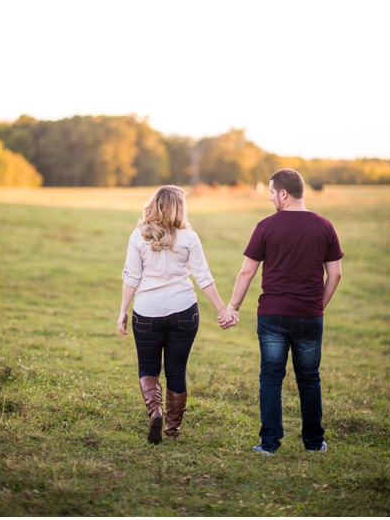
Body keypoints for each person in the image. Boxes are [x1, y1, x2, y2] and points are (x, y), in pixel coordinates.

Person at [223, 168, 343, 454]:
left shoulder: (266, 226)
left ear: (284, 193)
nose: (270, 198)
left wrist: (232, 307)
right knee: (309, 378)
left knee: (271, 377)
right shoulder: (324, 226)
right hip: (309, 316)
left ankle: (269, 444)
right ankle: (314, 443)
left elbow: (246, 272)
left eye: (271, 193)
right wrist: (318, 307)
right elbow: (335, 274)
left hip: (273, 316)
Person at [118, 185, 237, 444]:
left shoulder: (139, 236)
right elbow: (203, 277)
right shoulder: (189, 237)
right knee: (177, 370)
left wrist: (123, 311)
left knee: (148, 367)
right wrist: (223, 310)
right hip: (184, 312)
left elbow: (131, 276)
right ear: (179, 208)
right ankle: (172, 430)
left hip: (146, 312)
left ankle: (155, 411)